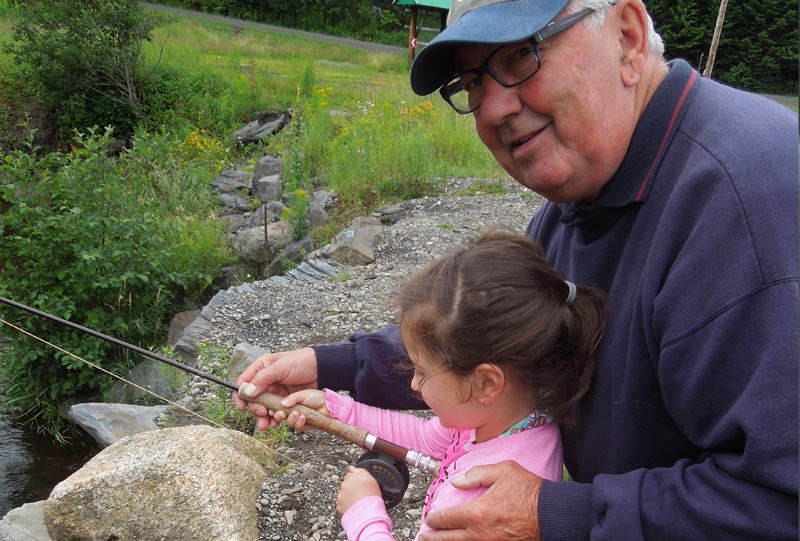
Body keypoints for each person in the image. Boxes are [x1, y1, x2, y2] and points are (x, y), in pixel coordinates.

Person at [234, 0, 799, 538]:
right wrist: (326, 366)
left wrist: (555, 515)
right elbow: (476, 324)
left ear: (626, 36)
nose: (494, 108)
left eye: (520, 56)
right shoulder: (579, 201)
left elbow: (782, 502)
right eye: (473, 84)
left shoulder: (747, 203)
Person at [270, 228, 608, 540]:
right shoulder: (521, 418)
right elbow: (428, 438)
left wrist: (364, 516)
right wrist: (336, 410)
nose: (414, 384)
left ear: (486, 383)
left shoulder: (477, 503)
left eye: (421, 371)